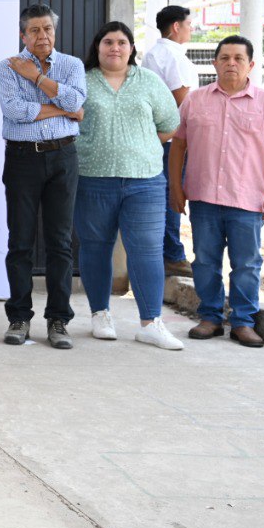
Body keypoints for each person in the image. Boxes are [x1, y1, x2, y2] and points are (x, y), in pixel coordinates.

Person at [170, 35, 264, 348]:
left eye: (238, 58)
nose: (231, 63)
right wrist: (175, 186)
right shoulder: (195, 100)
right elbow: (179, 144)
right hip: (203, 198)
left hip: (247, 200)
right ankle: (210, 318)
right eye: (225, 58)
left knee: (246, 264)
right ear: (214, 63)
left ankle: (243, 322)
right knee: (204, 261)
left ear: (250, 65)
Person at [74, 22, 184, 350]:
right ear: (97, 47)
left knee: (147, 250)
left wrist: (140, 145)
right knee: (95, 247)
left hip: (145, 182)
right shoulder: (81, 82)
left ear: (132, 48)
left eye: (122, 42)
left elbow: (170, 125)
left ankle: (151, 323)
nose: (115, 48)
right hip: (93, 179)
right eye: (108, 42)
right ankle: (100, 315)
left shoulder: (149, 81)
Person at [0, 4, 87, 349]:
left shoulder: (72, 65)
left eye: (47, 28)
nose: (42, 36)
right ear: (23, 35)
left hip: (63, 156)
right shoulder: (8, 67)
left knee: (60, 242)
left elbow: (77, 100)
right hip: (22, 158)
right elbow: (15, 111)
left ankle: (58, 319)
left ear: (54, 31)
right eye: (34, 30)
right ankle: (19, 317)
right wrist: (63, 108)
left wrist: (36, 79)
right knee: (20, 241)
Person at [141, 5, 200, 276]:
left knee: (166, 195)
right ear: (176, 27)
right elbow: (182, 100)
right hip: (173, 139)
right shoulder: (173, 56)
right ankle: (173, 255)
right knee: (172, 195)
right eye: (188, 24)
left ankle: (169, 253)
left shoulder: (155, 53)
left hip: (161, 136)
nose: (192, 28)